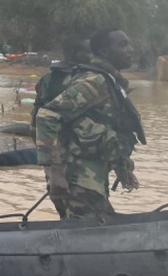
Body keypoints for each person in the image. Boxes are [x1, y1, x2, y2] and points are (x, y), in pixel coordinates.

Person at [34, 29, 146, 220]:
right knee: (90, 235)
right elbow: (47, 116)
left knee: (91, 230)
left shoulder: (109, 81)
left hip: (89, 178)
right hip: (78, 180)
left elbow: (110, 127)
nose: (130, 50)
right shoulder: (96, 81)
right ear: (103, 52)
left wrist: (122, 168)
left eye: (130, 44)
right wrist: (55, 174)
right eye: (122, 45)